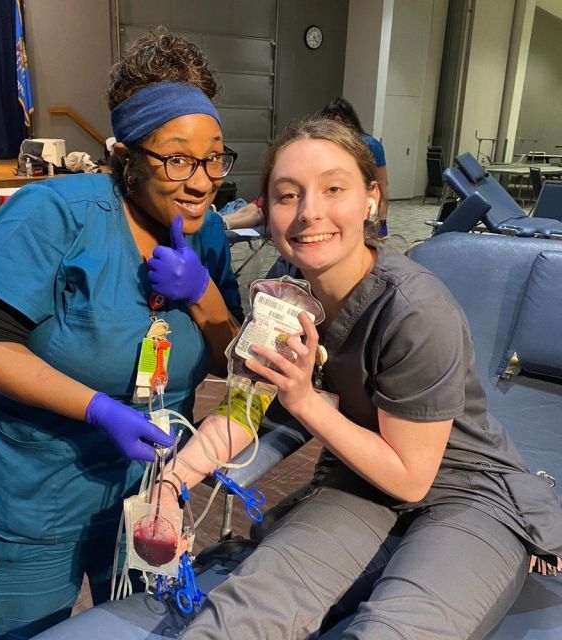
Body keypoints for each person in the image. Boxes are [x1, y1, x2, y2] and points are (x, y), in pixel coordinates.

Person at [157, 115, 562, 639]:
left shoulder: (414, 312)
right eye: (287, 195)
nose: (310, 213)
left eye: (333, 189)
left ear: (370, 199)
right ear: (266, 211)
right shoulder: (280, 299)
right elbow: (247, 407)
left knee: (389, 632)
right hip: (361, 481)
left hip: (467, 494)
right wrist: (172, 484)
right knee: (239, 614)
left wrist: (303, 402)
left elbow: (411, 478)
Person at [0, 28, 243, 640]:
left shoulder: (207, 237)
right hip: (28, 501)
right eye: (178, 157)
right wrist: (97, 408)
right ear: (127, 156)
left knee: (138, 630)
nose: (201, 180)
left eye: (214, 157)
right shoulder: (53, 217)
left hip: (147, 499)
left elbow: (231, 360)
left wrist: (203, 294)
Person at [321, 96, 390, 237]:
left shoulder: (369, 144)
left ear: (339, 120)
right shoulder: (326, 145)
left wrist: (382, 220)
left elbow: (382, 184)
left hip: (363, 208)